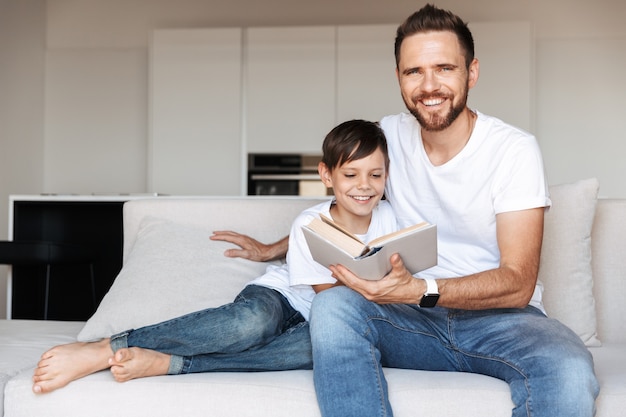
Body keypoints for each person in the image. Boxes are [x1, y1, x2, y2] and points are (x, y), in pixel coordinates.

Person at [213, 5, 600, 417]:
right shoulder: (390, 136)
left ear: (471, 73)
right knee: (333, 306)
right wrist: (273, 247)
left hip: (502, 323)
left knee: (570, 369)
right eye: (414, 71)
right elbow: (349, 206)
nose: (429, 85)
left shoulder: (513, 150)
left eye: (444, 68)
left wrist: (421, 290)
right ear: (399, 77)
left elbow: (518, 282)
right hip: (409, 321)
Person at [31, 119, 399, 394]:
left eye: (375, 175)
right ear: (327, 175)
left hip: (321, 324)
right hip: (284, 299)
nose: (364, 185)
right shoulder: (309, 224)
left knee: (321, 348)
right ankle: (105, 347)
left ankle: (171, 364)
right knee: (251, 324)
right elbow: (329, 299)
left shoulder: (391, 219)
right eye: (351, 174)